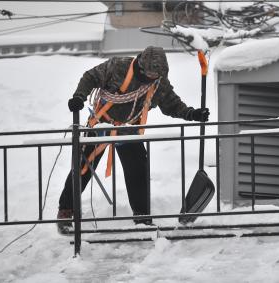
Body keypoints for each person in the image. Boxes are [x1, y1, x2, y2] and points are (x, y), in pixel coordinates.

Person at [57, 46, 209, 233]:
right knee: (83, 168)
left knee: (138, 170)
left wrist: (191, 114)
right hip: (101, 124)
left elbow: (171, 104)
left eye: (158, 75)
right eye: (151, 74)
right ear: (142, 68)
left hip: (128, 129)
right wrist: (79, 96)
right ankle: (65, 212)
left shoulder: (159, 81)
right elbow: (90, 77)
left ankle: (142, 217)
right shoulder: (118, 67)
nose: (154, 78)